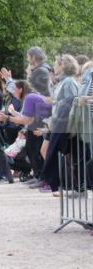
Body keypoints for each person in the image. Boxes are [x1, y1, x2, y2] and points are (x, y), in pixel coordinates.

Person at [39, 54, 80, 195]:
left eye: (56, 64)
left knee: (59, 155)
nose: (54, 66)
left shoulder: (68, 82)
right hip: (57, 124)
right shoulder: (63, 82)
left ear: (63, 66)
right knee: (52, 154)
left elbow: (72, 104)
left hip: (63, 125)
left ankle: (71, 187)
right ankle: (61, 186)